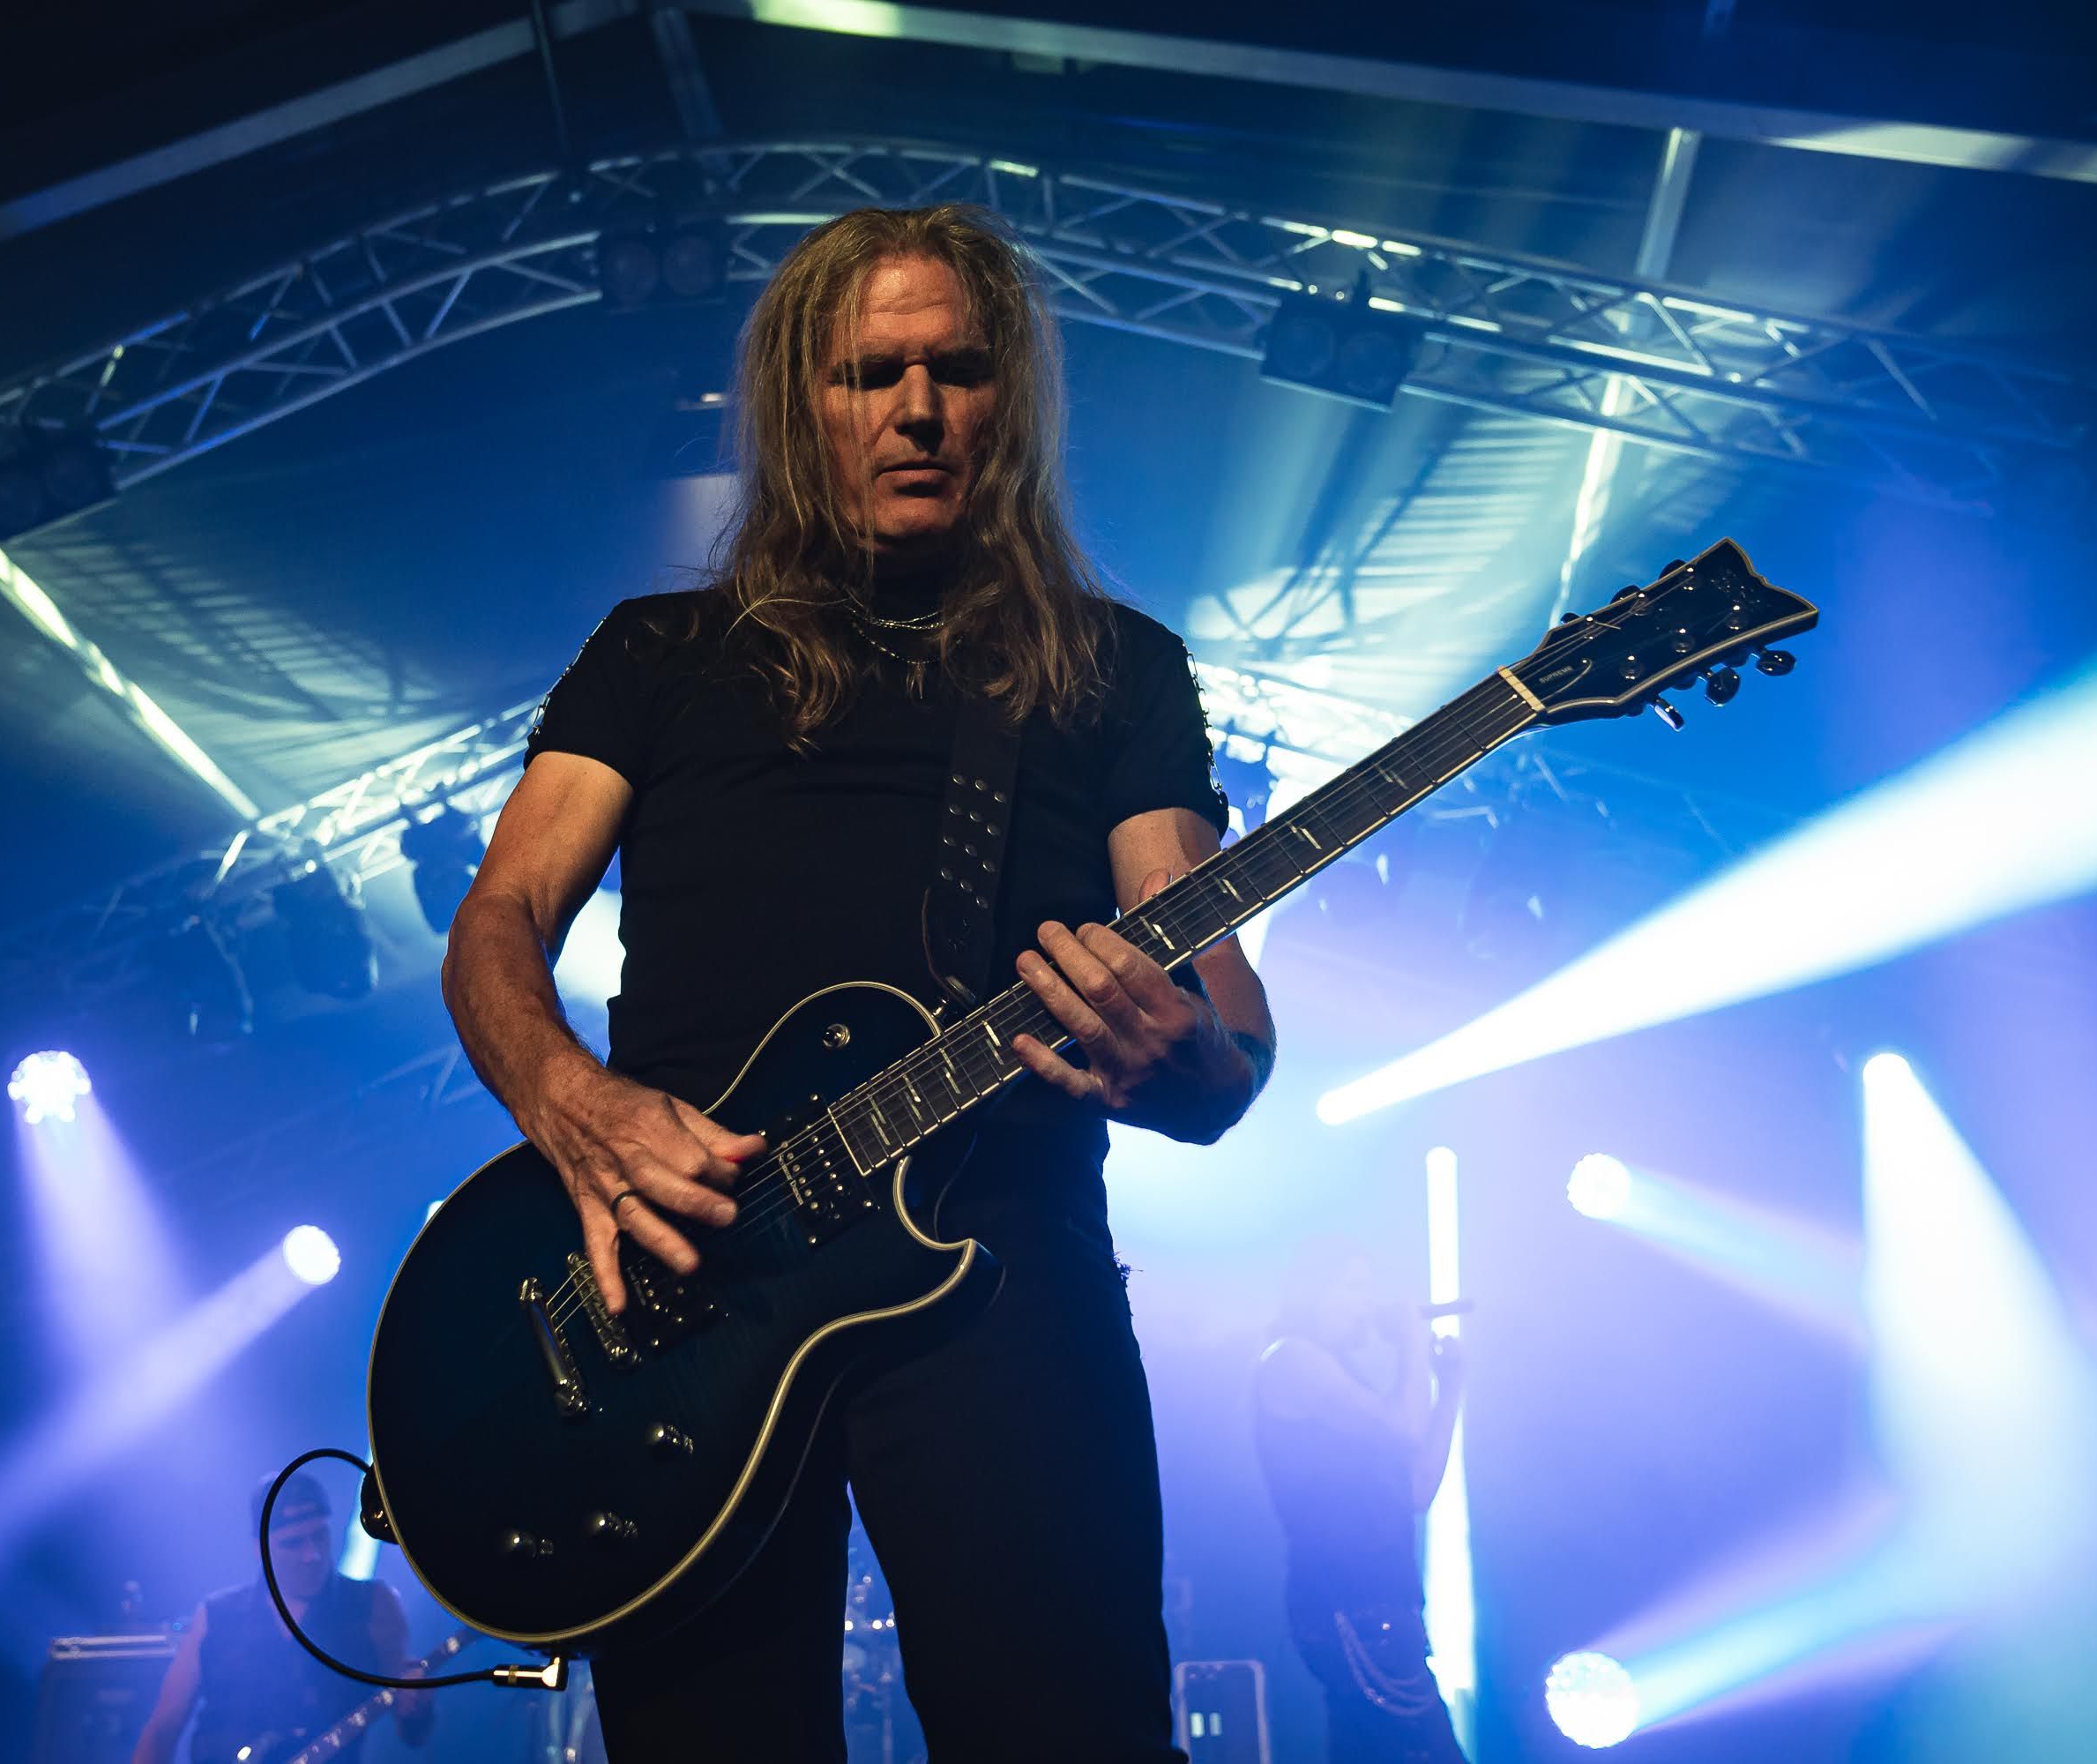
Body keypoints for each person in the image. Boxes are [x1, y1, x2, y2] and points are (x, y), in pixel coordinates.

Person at [440, 203, 1278, 1760]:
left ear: (1008, 400)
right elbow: (501, 918)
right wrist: (577, 1108)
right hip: (687, 1293)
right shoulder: (658, 654)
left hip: (1001, 1267)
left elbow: (1213, 983)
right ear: (795, 404)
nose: (917, 409)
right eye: (868, 374)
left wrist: (1208, 1072)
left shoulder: (1113, 668)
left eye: (957, 369)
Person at [1250, 1243, 1468, 1764]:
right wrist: (1412, 1349)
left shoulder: (1348, 1381)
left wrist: (1450, 1389)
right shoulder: (1293, 1359)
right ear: (1313, 1295)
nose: (1367, 1303)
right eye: (1354, 1287)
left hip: (1386, 1602)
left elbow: (1415, 1491)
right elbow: (1404, 1428)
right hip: (1349, 1602)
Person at [130, 1475, 432, 1764]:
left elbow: (414, 1733)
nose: (311, 1555)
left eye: (319, 1536)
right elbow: (162, 1730)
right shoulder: (216, 1615)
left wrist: (416, 1706)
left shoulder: (373, 1604)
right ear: (259, 1548)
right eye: (293, 1543)